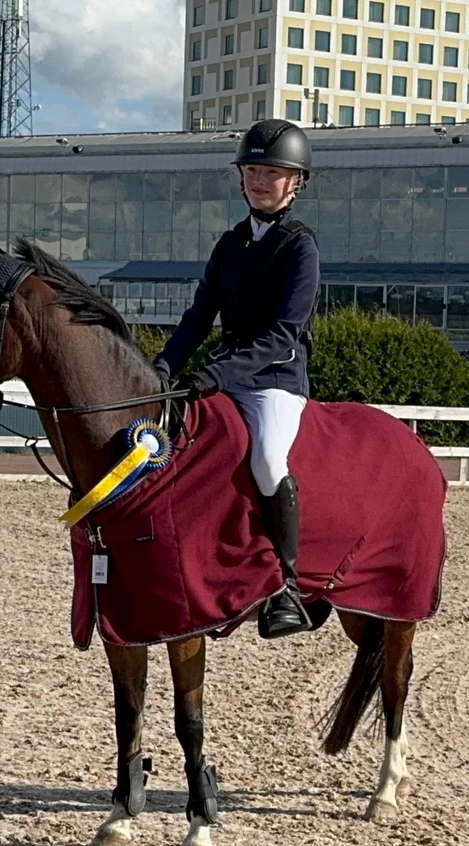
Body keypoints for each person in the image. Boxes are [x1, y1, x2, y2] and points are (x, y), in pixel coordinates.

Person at [152, 119, 320, 639]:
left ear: (295, 184)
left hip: (275, 380)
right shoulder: (229, 245)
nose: (259, 180)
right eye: (252, 170)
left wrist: (216, 375)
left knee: (268, 459)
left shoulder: (300, 247)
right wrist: (164, 368)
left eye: (272, 172)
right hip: (222, 376)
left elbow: (283, 333)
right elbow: (199, 317)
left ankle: (287, 588)